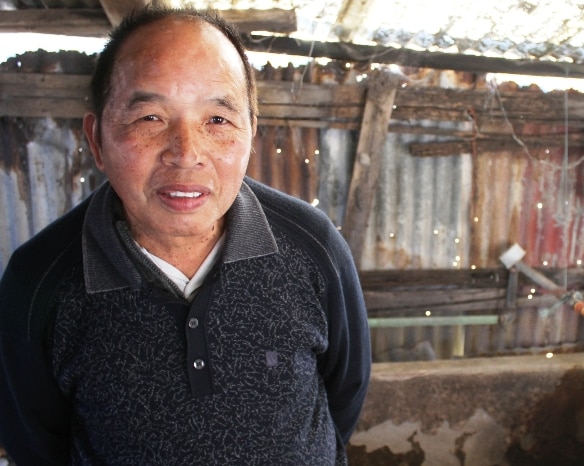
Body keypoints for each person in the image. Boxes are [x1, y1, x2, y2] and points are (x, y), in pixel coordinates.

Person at [0, 7, 371, 465]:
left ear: (251, 131)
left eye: (217, 120)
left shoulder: (313, 248)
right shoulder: (39, 283)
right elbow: (36, 446)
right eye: (150, 118)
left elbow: (344, 397)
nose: (186, 154)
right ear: (96, 140)